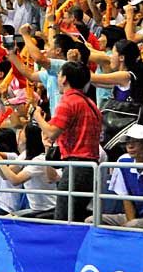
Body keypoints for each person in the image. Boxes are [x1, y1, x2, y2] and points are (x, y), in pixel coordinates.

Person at [33, 61, 102, 222]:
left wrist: (38, 118)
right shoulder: (91, 103)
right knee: (76, 218)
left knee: (64, 219)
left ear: (64, 79)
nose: (57, 78)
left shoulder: (68, 101)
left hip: (76, 167)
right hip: (90, 167)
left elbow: (52, 132)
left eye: (58, 75)